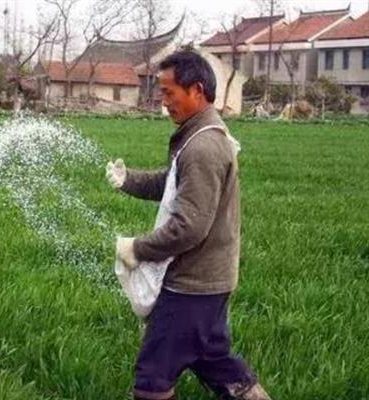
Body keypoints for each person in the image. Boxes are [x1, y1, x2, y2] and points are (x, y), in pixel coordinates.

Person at [106, 50, 271, 400]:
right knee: (214, 360)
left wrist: (137, 248)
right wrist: (128, 180)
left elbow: (189, 227)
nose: (162, 101)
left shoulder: (204, 147)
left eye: (168, 92)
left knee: (152, 378)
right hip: (210, 282)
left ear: (196, 90)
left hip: (192, 286)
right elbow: (173, 185)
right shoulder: (200, 136)